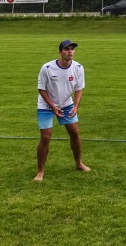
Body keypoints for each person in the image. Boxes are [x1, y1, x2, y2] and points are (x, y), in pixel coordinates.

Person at [35, 39, 90, 181]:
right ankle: (40, 171)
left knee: (75, 133)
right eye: (67, 49)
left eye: (72, 49)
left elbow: (79, 89)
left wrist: (75, 106)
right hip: (46, 105)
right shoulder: (47, 68)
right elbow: (41, 89)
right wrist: (53, 107)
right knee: (45, 137)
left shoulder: (78, 68)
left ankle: (79, 163)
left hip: (66, 105)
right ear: (60, 52)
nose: (70, 52)